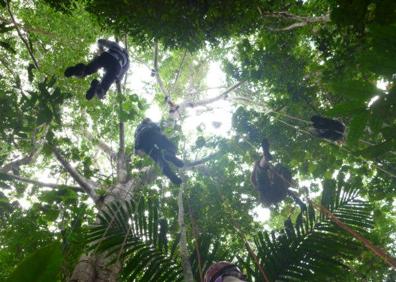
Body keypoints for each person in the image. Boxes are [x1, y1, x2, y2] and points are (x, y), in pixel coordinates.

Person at [64, 39, 129, 100]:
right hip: (117, 66)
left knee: (88, 69)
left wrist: (101, 49)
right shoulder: (128, 62)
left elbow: (100, 41)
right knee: (106, 83)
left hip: (107, 56)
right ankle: (100, 90)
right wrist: (116, 80)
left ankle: (80, 70)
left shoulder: (117, 46)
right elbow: (121, 74)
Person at [134, 118, 184, 185]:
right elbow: (158, 127)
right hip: (152, 133)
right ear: (148, 121)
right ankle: (169, 154)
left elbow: (136, 144)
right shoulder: (150, 123)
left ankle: (172, 177)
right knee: (170, 146)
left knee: (159, 160)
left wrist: (139, 149)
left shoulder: (137, 130)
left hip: (143, 144)